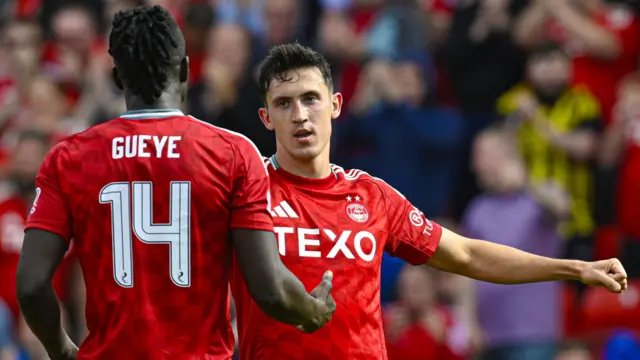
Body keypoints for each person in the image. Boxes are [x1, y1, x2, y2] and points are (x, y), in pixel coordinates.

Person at [230, 43, 628, 360]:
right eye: (284, 103)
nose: (300, 115)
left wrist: (575, 268)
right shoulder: (245, 191)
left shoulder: (373, 196)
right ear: (266, 118)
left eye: (310, 98)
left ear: (335, 105)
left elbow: (468, 255)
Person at [15, 6, 335, 360]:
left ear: (118, 78)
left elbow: (30, 286)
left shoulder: (69, 158)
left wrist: (60, 349)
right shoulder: (232, 153)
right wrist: (311, 311)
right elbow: (271, 290)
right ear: (183, 70)